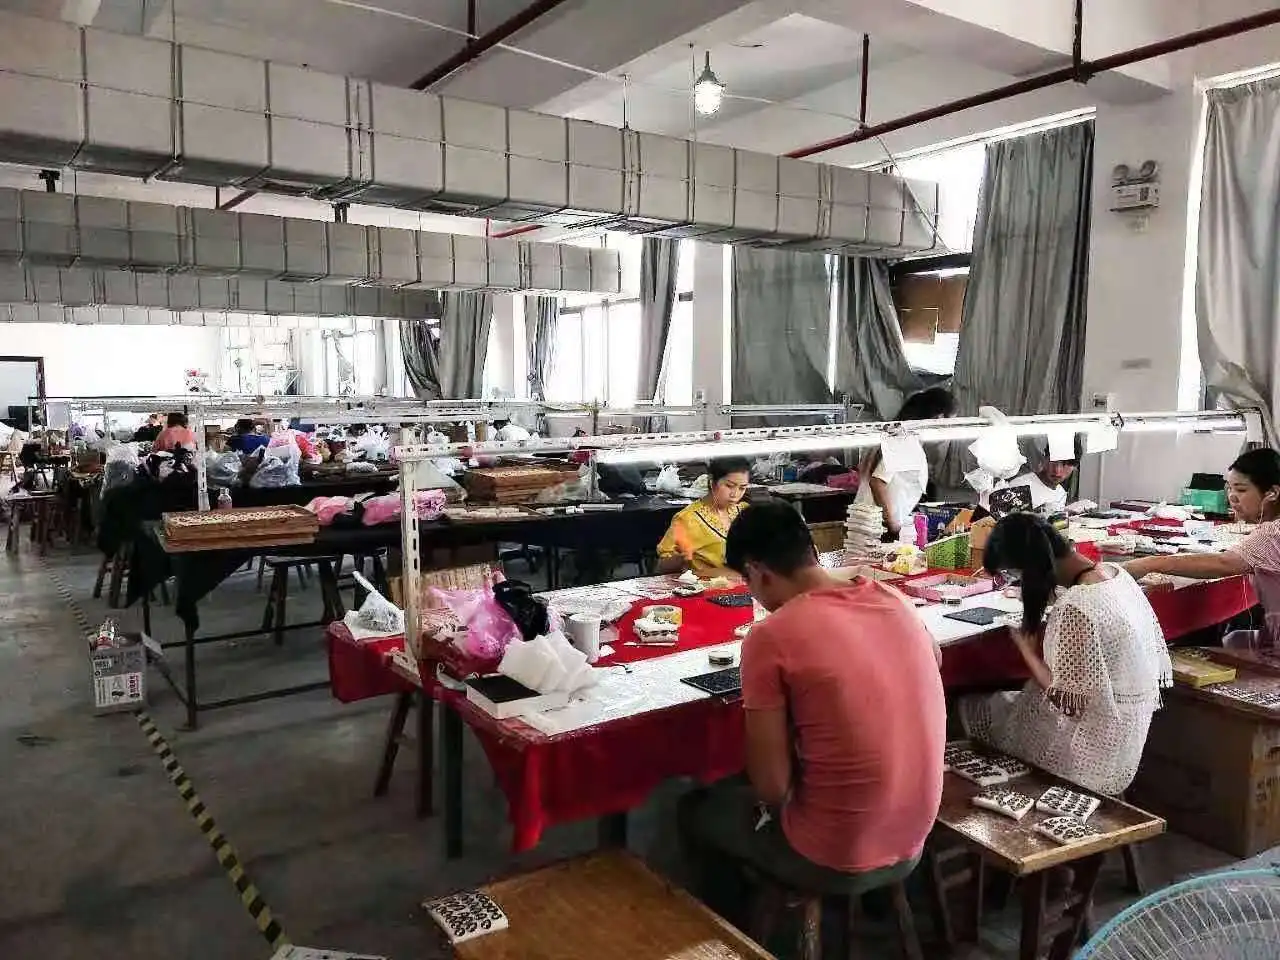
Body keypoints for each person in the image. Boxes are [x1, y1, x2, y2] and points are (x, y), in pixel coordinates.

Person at [678, 501, 945, 906]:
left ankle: (732, 932)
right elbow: (933, 660)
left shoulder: (770, 636)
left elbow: (773, 788)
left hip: (832, 854)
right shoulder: (893, 599)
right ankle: (874, 910)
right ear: (811, 551)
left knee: (696, 808)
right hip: (914, 839)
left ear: (757, 572)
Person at [958, 513, 1172, 796]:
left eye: (1014, 575)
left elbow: (1068, 704)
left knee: (969, 707)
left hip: (1088, 751)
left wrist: (1026, 650)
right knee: (1006, 701)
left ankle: (986, 797)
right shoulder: (1116, 576)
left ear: (1030, 569)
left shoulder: (1077, 606)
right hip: (1126, 735)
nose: (1017, 582)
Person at [1124, 447, 1280, 647]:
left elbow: (1224, 563)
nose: (1232, 498)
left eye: (1241, 490)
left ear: (1272, 493)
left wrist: (1149, 563)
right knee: (1230, 638)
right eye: (1229, 489)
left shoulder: (1272, 533)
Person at [855, 387, 956, 539]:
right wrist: (893, 524)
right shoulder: (904, 442)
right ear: (939, 418)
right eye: (952, 422)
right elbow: (877, 482)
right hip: (877, 529)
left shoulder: (904, 440)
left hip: (870, 525)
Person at [656, 457, 751, 578]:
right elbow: (661, 567)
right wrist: (681, 559)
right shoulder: (688, 519)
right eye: (729, 486)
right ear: (712, 482)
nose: (735, 494)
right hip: (709, 585)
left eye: (742, 488)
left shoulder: (745, 512)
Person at [977, 438, 1083, 516]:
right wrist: (1035, 514)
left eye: (1065, 465)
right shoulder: (1021, 486)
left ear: (1075, 467)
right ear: (1045, 458)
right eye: (1053, 462)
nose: (1057, 470)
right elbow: (991, 524)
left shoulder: (1060, 492)